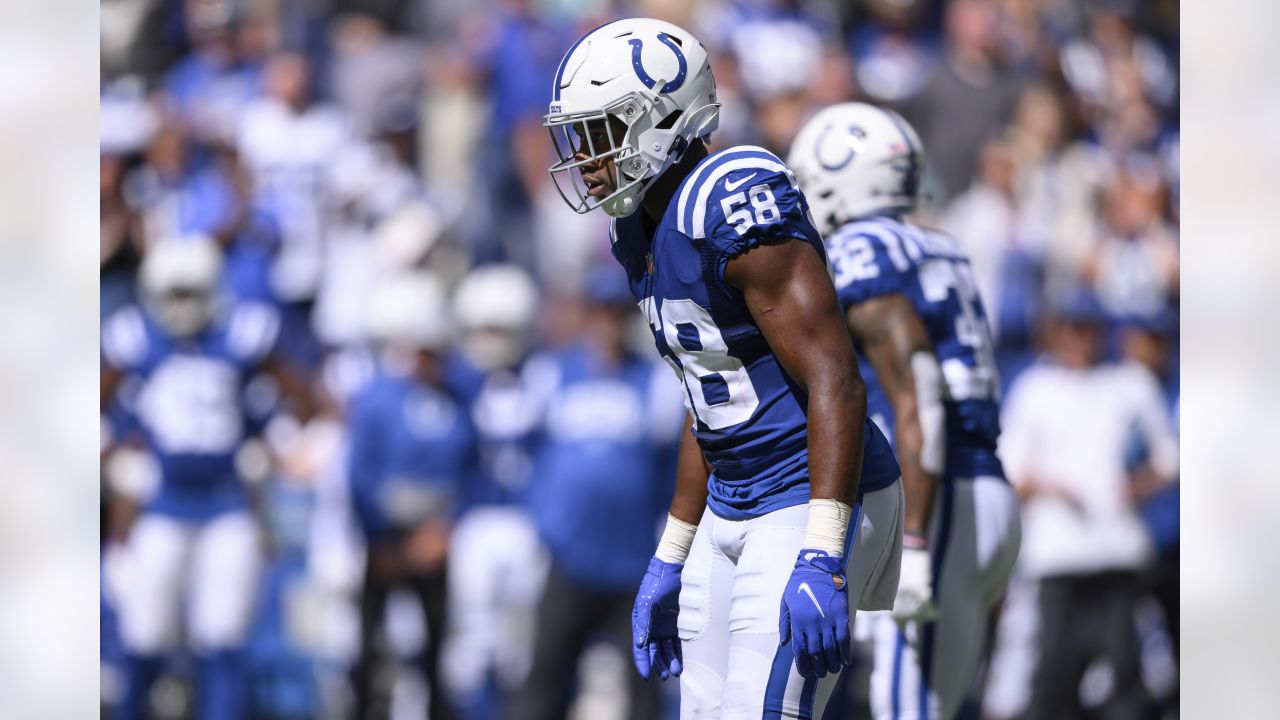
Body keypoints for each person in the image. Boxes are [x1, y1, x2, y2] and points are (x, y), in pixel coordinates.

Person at [543, 17, 904, 719]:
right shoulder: (636, 229)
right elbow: (709, 399)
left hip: (811, 492)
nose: (586, 158)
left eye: (600, 132)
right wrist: (671, 553)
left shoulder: (733, 196)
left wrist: (823, 552)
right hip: (732, 499)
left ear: (662, 120)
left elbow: (836, 377)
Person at [787, 102, 1023, 720]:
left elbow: (917, 384)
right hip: (980, 485)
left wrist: (913, 537)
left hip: (937, 494)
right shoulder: (938, 245)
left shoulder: (862, 248)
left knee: (905, 707)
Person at [100, 237, 311, 719]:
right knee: (143, 635)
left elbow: (300, 395)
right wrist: (113, 448)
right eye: (172, 295)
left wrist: (275, 440)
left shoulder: (240, 333)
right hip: (162, 505)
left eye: (191, 294)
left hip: (227, 504)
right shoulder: (136, 337)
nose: (182, 307)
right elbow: (94, 399)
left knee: (223, 639)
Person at [510, 267, 686, 720]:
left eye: (615, 311)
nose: (606, 321)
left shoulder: (656, 382)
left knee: (643, 685)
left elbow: (671, 470)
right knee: (545, 679)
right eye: (598, 310)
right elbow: (526, 455)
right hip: (568, 556)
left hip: (633, 561)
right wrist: (543, 523)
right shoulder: (549, 373)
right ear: (584, 315)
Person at [997, 287, 1178, 719]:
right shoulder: (1034, 389)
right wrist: (1048, 485)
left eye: (1090, 329)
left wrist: (1139, 484)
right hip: (1058, 555)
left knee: (1123, 671)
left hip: (1116, 550)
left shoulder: (1127, 384)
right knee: (1054, 672)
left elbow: (1169, 456)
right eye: (1074, 328)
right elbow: (1012, 472)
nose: (1082, 338)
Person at [345, 272, 472, 720]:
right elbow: (359, 471)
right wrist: (381, 537)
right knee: (370, 646)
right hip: (385, 537)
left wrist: (446, 526)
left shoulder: (460, 397)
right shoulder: (379, 396)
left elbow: (472, 470)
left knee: (439, 646)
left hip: (435, 538)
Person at [442, 264, 552, 719]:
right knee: (472, 641)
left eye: (498, 329)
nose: (488, 340)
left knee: (519, 644)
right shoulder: (458, 381)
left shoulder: (546, 376)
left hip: (528, 521)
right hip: (476, 518)